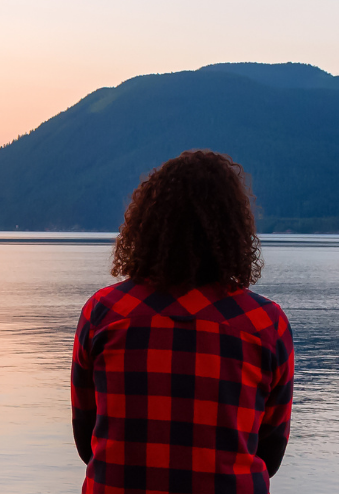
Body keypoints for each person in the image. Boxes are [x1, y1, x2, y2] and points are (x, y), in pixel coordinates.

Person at [71, 150, 296, 493]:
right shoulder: (265, 324)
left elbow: (86, 439)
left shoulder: (104, 313)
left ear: (149, 224)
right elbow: (270, 452)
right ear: (233, 230)